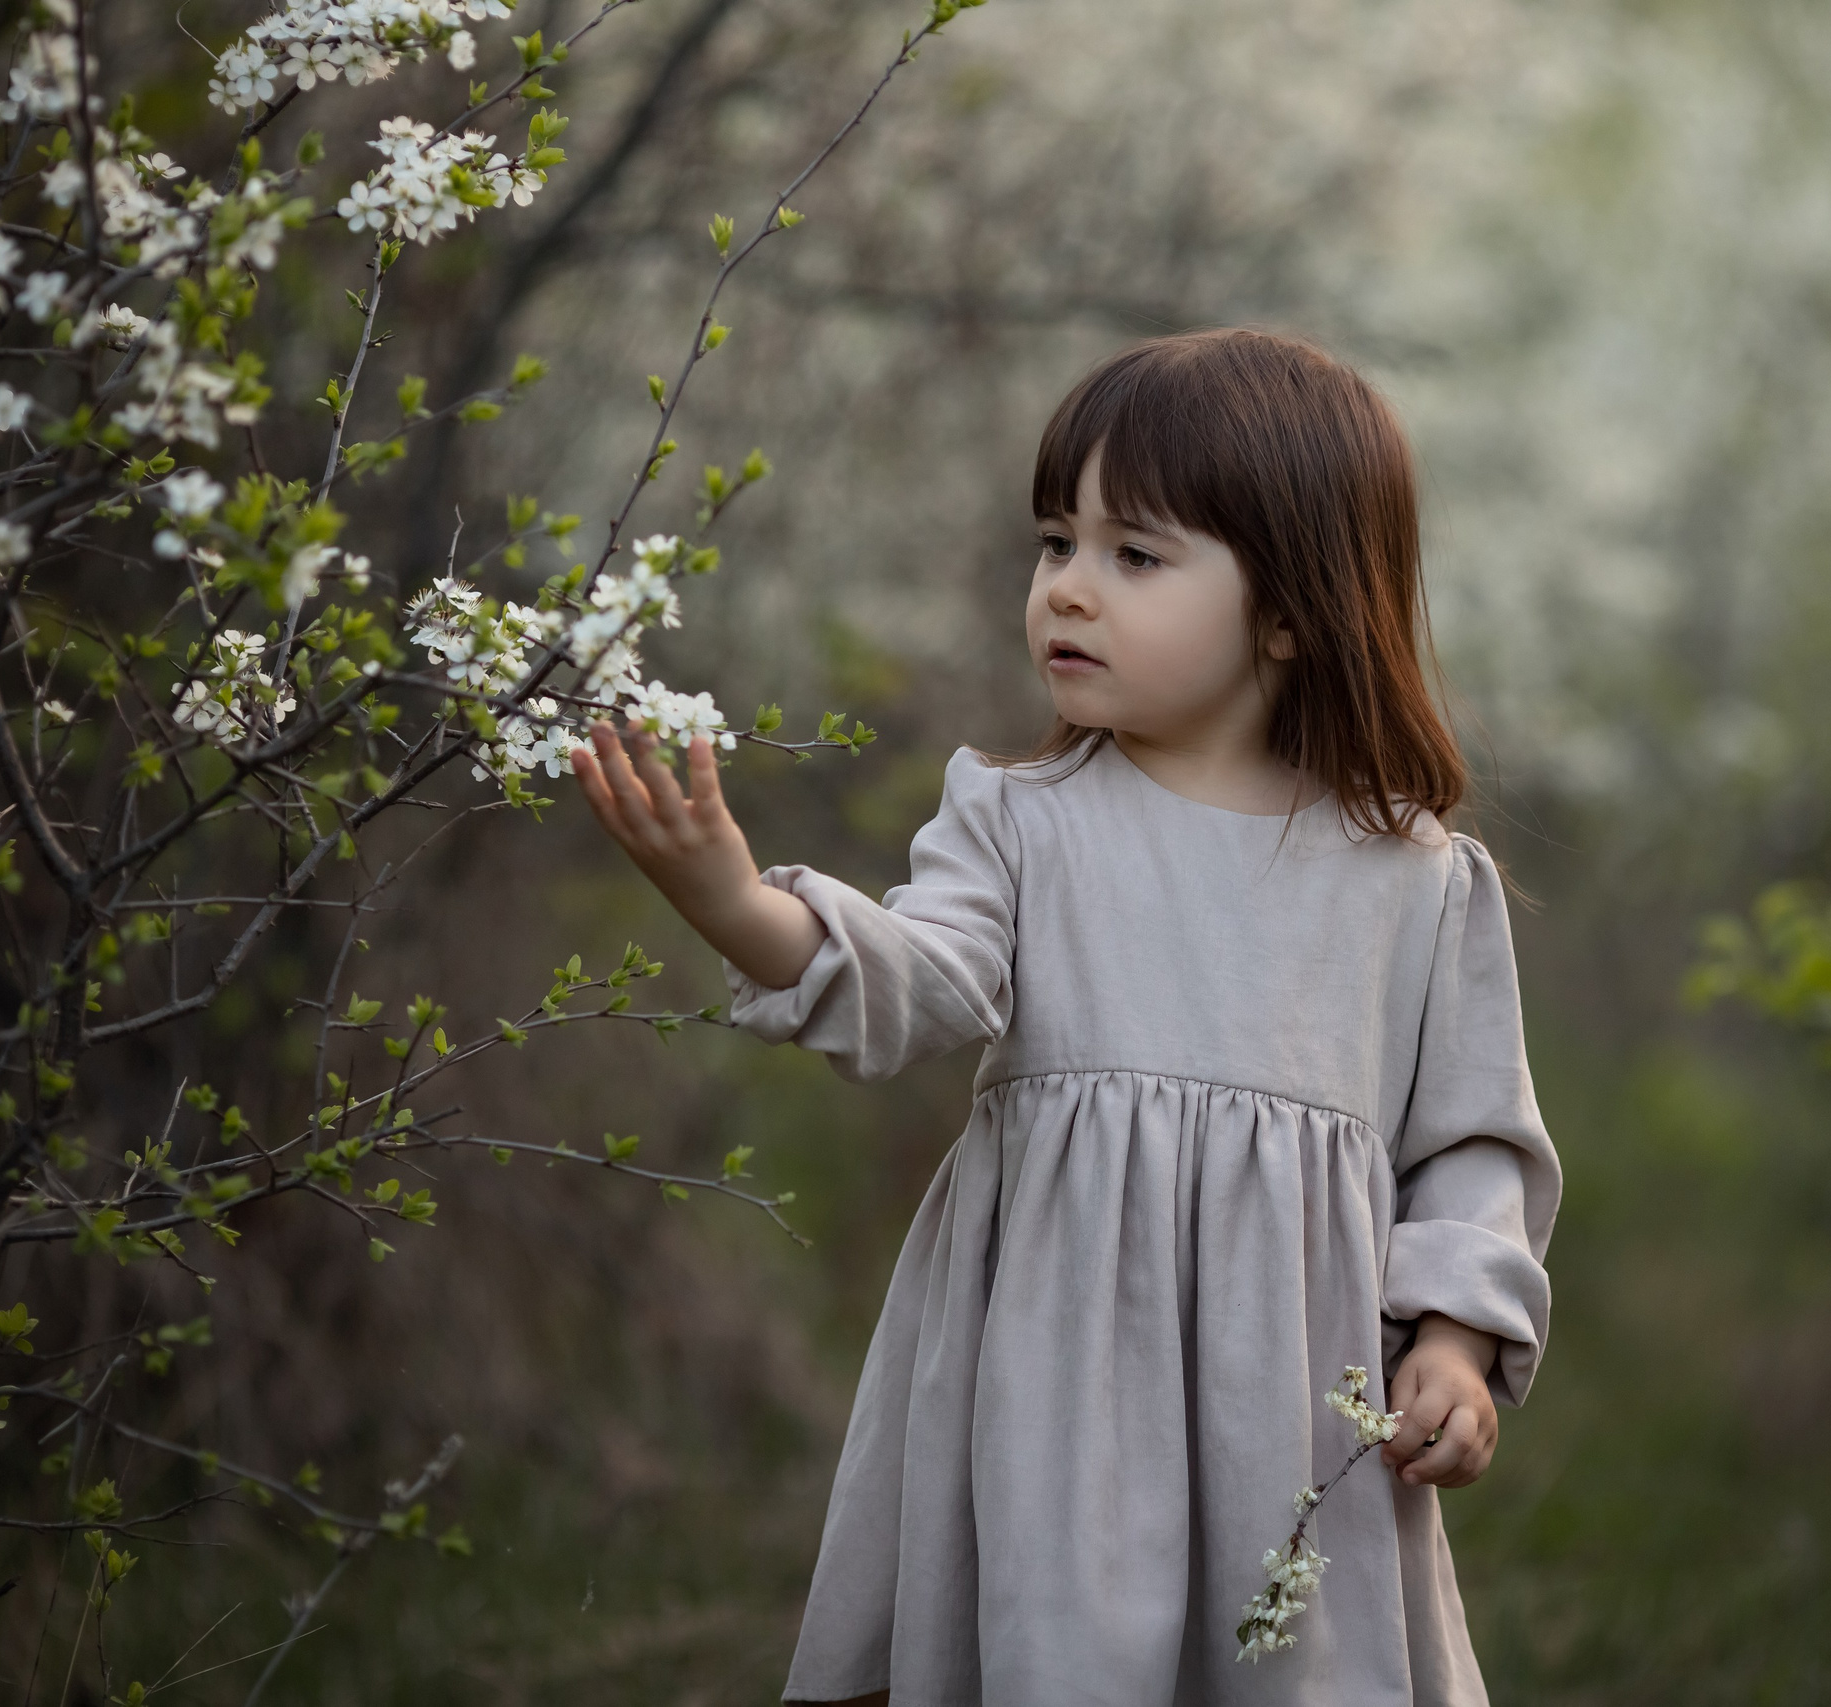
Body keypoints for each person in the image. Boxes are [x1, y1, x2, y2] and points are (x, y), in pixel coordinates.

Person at [570, 328, 1561, 1706]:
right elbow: (914, 983)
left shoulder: (1417, 882)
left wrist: (1452, 1341)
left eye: (1134, 555)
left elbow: (1470, 1146)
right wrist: (731, 901)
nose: (1067, 590)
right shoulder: (1022, 821)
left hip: (1290, 1404)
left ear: (1290, 612)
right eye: (1055, 543)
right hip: (1060, 1391)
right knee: (1064, 1652)